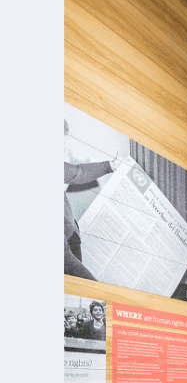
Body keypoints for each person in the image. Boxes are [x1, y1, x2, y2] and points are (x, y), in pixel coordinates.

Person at [64, 119, 118, 281]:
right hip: (64, 243)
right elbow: (78, 174)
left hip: (71, 233)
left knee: (74, 289)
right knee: (81, 286)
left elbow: (77, 173)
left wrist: (111, 165)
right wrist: (110, 165)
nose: (64, 145)